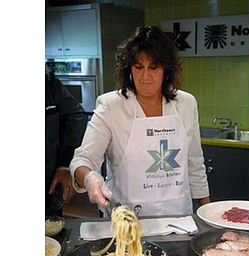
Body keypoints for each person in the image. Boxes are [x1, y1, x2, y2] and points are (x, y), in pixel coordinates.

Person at [70, 26, 210, 217]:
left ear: (166, 69)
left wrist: (206, 213)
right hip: (126, 220)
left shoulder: (186, 104)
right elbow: (82, 159)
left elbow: (194, 161)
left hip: (178, 219)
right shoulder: (111, 106)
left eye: (153, 67)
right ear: (129, 69)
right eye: (138, 67)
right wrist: (90, 179)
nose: (145, 77)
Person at [46, 66, 88, 216]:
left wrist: (64, 165)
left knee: (51, 234)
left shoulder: (47, 79)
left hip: (49, 183)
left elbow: (75, 116)